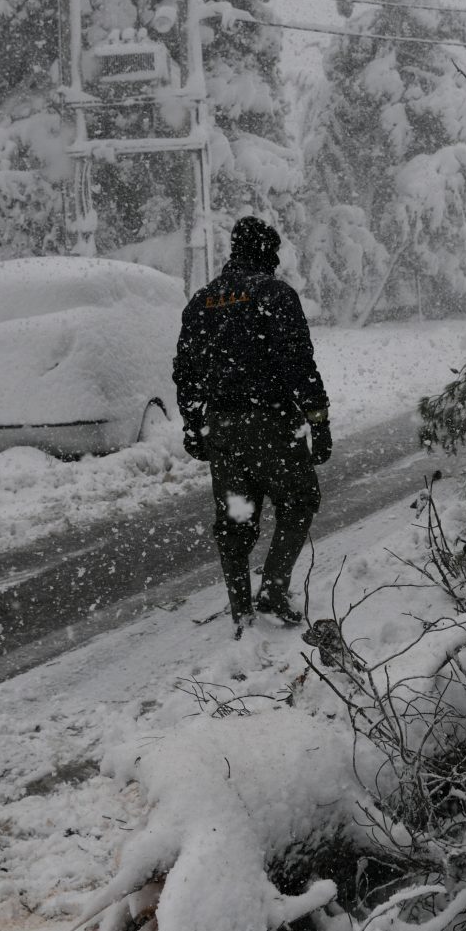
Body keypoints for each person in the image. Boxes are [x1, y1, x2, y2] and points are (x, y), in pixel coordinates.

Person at [173, 216, 332, 637]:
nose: (277, 261)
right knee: (299, 499)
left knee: (234, 520)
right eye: (274, 253)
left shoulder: (201, 302)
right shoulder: (276, 296)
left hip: (222, 427)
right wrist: (319, 420)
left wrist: (193, 425)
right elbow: (300, 365)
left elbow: (185, 373)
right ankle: (275, 591)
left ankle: (240, 610)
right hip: (272, 421)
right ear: (265, 252)